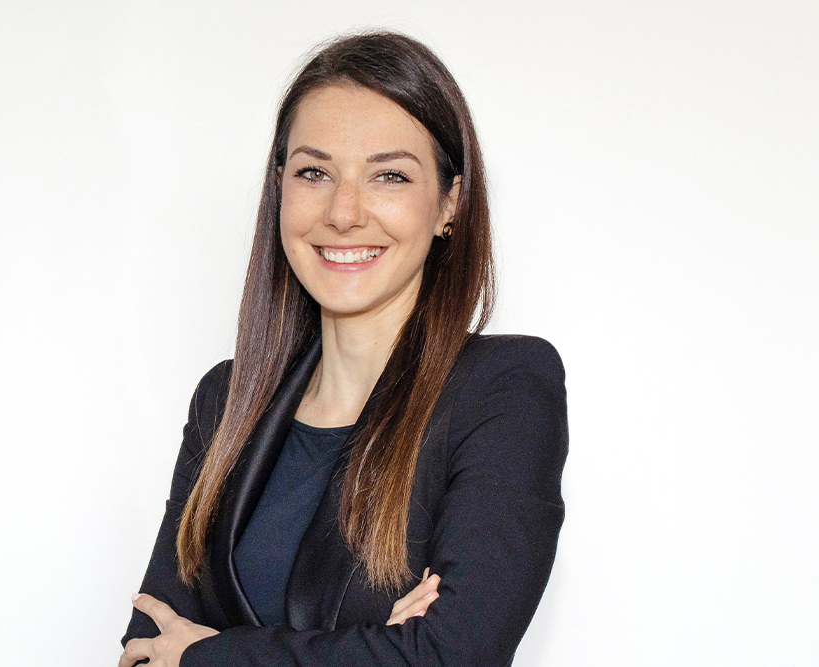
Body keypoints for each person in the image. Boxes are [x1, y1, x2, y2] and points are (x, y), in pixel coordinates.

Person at [119, 31, 568, 667]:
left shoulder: (503, 389)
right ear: (280, 190)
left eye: (388, 175)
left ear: (449, 203)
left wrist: (212, 654)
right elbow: (145, 651)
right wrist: (377, 647)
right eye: (314, 172)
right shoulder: (226, 400)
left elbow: (452, 656)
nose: (344, 211)